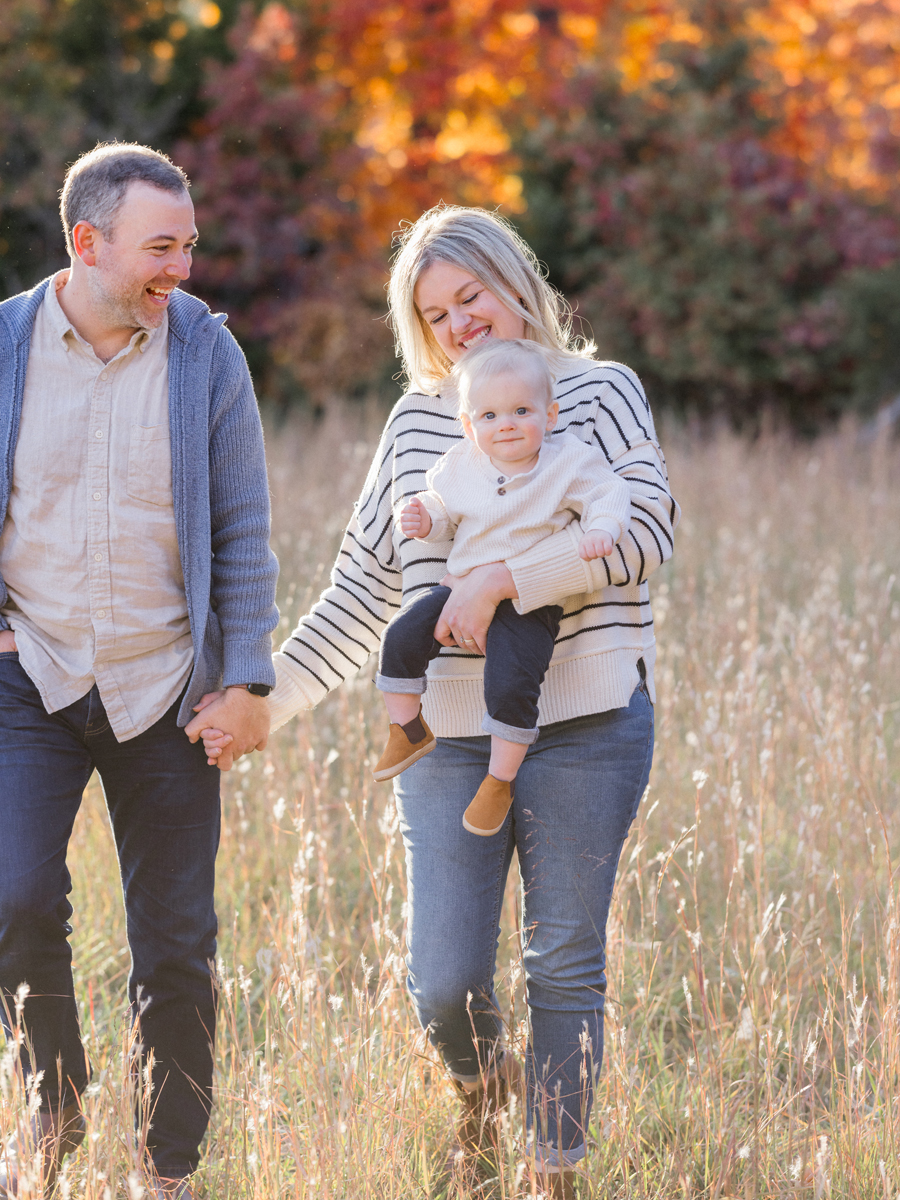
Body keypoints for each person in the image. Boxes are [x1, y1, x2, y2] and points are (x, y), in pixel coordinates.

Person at [190, 204, 679, 1198]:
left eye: (472, 295)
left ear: (515, 281)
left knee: (564, 963)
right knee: (445, 982)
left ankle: (554, 1170)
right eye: (436, 313)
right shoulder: (424, 421)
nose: (461, 323)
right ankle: (481, 1088)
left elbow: (646, 535)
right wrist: (262, 704)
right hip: (448, 735)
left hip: (589, 724)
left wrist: (505, 579)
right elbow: (365, 590)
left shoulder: (599, 394)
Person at [0, 143, 278, 1200]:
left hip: (169, 690)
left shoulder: (208, 356)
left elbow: (244, 531)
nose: (183, 269)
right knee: (14, 896)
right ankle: (52, 1103)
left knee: (174, 947)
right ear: (88, 242)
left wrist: (246, 679)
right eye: (162, 248)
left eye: (190, 246)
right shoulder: (6, 344)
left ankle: (168, 1169)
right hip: (33, 680)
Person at [373, 338, 631, 843]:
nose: (506, 423)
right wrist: (422, 516)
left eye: (520, 410)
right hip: (459, 587)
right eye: (489, 416)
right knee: (400, 639)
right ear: (469, 426)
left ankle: (499, 780)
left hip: (527, 602)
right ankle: (406, 729)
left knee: (511, 685)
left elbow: (609, 492)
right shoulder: (460, 464)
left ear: (550, 415)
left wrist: (602, 527)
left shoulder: (568, 461)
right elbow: (441, 508)